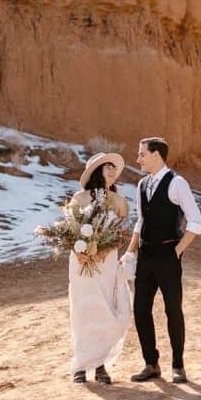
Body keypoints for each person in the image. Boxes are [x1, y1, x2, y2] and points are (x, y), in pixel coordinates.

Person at [122, 137, 201, 384]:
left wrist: (177, 250)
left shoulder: (177, 183)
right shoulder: (142, 184)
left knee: (172, 310)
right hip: (146, 257)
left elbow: (196, 222)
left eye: (142, 154)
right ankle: (151, 364)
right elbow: (141, 221)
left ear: (156, 155)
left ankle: (178, 366)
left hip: (168, 256)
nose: (138, 159)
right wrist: (130, 251)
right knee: (140, 310)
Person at [68, 152, 130, 385]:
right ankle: (81, 365)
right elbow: (68, 230)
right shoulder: (80, 198)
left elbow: (123, 232)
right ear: (96, 171)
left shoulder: (119, 201)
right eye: (107, 167)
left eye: (114, 168)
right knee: (83, 309)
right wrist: (80, 252)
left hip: (107, 261)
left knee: (105, 308)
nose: (113, 172)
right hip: (82, 261)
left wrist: (105, 249)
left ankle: (101, 364)